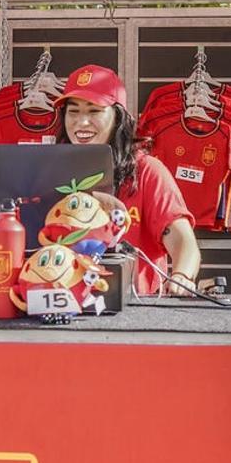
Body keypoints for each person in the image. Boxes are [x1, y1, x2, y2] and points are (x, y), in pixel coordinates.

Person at [56, 65, 202, 296]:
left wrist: (182, 277)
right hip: (58, 312)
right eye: (73, 112)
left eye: (94, 111)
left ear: (118, 117)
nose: (81, 122)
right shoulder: (50, 170)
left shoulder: (146, 171)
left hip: (132, 316)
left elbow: (184, 242)